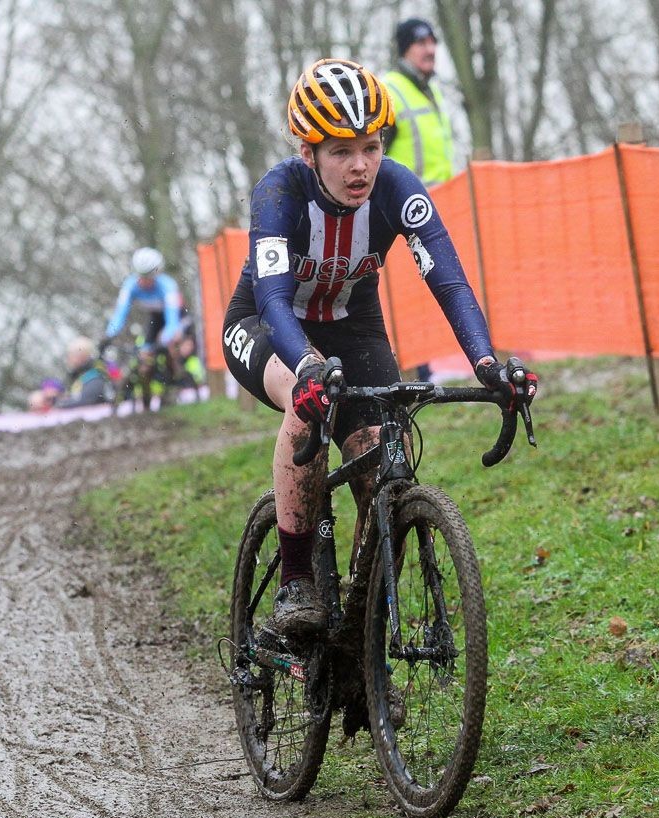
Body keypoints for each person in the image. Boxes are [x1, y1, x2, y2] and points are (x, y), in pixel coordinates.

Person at [221, 58, 537, 638]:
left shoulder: (397, 189)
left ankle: (363, 630)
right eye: (341, 151)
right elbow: (270, 297)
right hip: (269, 325)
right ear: (307, 151)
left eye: (371, 145)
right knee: (305, 400)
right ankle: (297, 582)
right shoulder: (279, 193)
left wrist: (486, 362)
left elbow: (449, 281)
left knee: (377, 456)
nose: (360, 164)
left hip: (353, 326)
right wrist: (309, 367)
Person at [103, 247, 188, 392]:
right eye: (140, 276)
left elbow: (172, 319)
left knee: (171, 342)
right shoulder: (130, 286)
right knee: (145, 354)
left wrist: (166, 338)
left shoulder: (167, 286)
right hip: (155, 318)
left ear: (157, 273)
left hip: (178, 317)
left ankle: (177, 375)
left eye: (148, 276)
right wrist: (109, 335)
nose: (143, 281)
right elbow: (120, 314)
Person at [383, 18, 455, 186]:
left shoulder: (433, 91)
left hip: (442, 203)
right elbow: (374, 159)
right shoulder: (388, 92)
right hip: (406, 205)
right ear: (405, 49)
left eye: (433, 42)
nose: (430, 50)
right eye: (421, 43)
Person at [55, 336, 112, 409]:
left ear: (82, 356)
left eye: (70, 355)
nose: (68, 359)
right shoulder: (78, 376)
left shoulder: (95, 375)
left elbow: (85, 402)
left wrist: (59, 405)